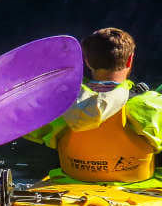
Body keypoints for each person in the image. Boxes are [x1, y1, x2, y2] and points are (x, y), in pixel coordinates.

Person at [25, 28, 162, 184]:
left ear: (87, 61)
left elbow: (25, 127)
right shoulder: (149, 105)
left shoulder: (60, 106)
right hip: (138, 188)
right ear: (130, 60)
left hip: (71, 184)